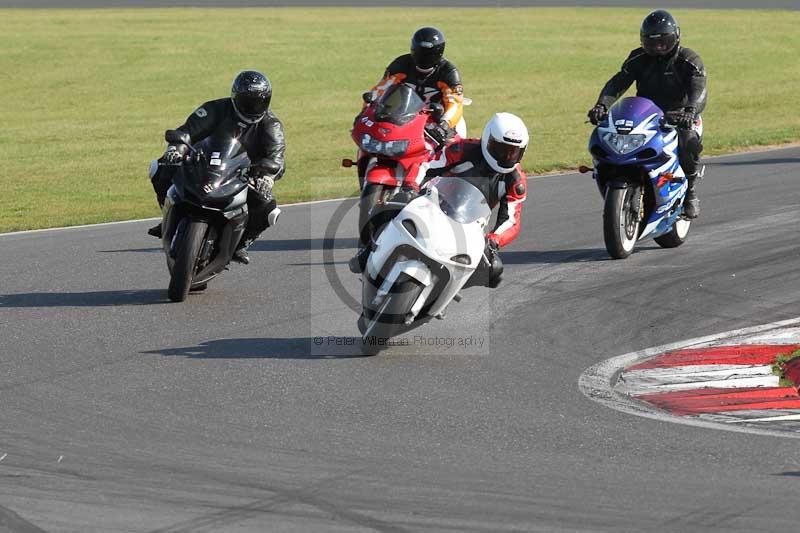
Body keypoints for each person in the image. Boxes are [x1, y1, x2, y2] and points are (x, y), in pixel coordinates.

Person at [350, 113, 529, 287]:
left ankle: (441, 291)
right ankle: (367, 253)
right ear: (488, 139)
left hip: (470, 225)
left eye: (513, 153)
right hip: (433, 201)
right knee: (388, 207)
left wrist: (494, 240)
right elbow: (427, 163)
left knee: (494, 273)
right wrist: (410, 187)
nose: (506, 157)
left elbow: (511, 219)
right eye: (501, 149)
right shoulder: (462, 150)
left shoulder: (515, 181)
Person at [148, 70, 285, 265]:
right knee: (159, 167)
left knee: (269, 209)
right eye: (247, 101)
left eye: (258, 101)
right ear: (235, 97)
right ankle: (167, 215)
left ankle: (241, 243)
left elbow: (276, 157)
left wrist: (267, 177)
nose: (253, 107)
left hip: (245, 172)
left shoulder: (271, 125)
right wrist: (175, 148)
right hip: (205, 161)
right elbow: (188, 131)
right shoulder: (215, 109)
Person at [587, 9, 706, 218]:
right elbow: (618, 83)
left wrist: (690, 111)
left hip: (681, 115)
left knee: (689, 142)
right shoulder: (638, 58)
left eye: (663, 42)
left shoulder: (689, 60)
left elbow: (700, 89)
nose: (658, 47)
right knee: (613, 135)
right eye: (652, 43)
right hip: (645, 113)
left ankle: (690, 193)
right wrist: (601, 105)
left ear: (676, 37)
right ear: (644, 42)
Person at [366, 26, 465, 142]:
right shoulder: (401, 65)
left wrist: (445, 125)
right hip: (403, 118)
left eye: (428, 54)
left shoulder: (448, 72)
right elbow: (380, 90)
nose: (424, 57)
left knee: (453, 149)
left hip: (437, 122)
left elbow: (455, 104)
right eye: (421, 52)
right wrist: (365, 112)